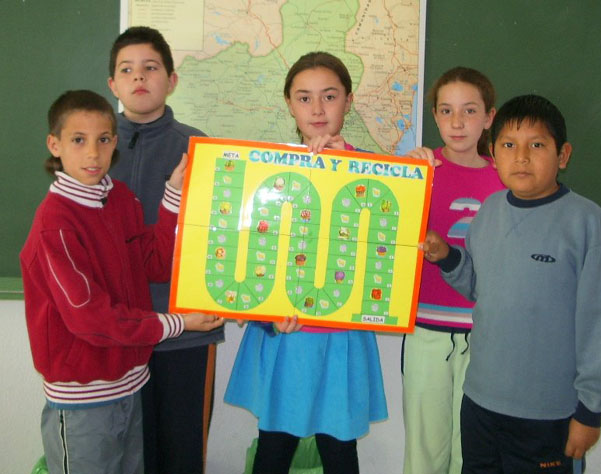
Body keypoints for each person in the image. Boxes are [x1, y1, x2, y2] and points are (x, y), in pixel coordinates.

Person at [421, 94, 601, 473]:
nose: (520, 157)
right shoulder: (489, 212)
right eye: (508, 145)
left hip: (549, 414)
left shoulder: (588, 225)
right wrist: (449, 258)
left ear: (563, 155)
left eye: (536, 145)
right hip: (481, 405)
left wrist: (590, 412)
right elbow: (481, 288)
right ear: (494, 153)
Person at [20, 90, 223, 474]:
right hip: (83, 400)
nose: (93, 153)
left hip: (131, 386)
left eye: (103, 139)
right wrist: (181, 322)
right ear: (55, 144)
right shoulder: (55, 224)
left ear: (115, 142)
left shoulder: (117, 199)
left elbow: (155, 263)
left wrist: (174, 195)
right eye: (78, 140)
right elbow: (92, 319)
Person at [224, 52, 388, 474]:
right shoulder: (270, 172)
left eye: (329, 96)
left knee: (339, 451)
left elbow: (394, 247)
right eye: (304, 98)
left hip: (342, 336)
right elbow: (254, 251)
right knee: (274, 448)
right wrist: (264, 314)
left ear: (348, 101)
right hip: (286, 334)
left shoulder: (379, 171)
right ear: (289, 104)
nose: (317, 109)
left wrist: (353, 165)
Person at [107, 26, 224, 474]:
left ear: (172, 80)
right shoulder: (93, 149)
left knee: (181, 456)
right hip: (117, 334)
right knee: (128, 458)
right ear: (112, 85)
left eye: (151, 68)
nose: (139, 77)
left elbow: (221, 240)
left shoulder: (200, 149)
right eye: (127, 69)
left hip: (186, 334)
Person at [401, 67, 504, 474]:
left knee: (473, 453)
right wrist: (406, 179)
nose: (457, 123)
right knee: (424, 450)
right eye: (446, 111)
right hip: (426, 330)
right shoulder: (417, 172)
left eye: (469, 111)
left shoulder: (505, 178)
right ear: (435, 116)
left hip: (485, 336)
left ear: (489, 117)